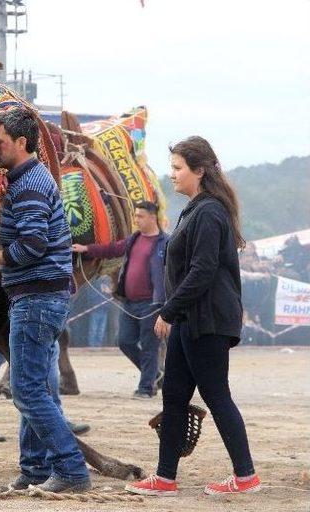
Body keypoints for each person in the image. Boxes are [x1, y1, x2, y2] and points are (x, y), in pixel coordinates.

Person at [125, 136, 261, 496]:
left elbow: (202, 270)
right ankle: (165, 477)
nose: (171, 175)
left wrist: (168, 310)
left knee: (216, 394)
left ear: (199, 171)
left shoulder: (211, 212)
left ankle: (245, 476)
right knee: (173, 396)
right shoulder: (192, 210)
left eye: (177, 168)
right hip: (190, 319)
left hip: (209, 321)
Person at [0, 108, 90, 494]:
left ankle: (72, 470)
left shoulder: (27, 186)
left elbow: (33, 244)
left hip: (38, 298)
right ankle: (34, 470)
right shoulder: (29, 179)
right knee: (35, 386)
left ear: (22, 143)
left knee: (26, 390)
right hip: (40, 295)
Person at [72, 201, 169, 398]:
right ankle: (154, 375)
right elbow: (111, 249)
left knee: (150, 346)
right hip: (129, 302)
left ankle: (146, 388)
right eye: (135, 216)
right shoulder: (134, 239)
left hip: (152, 305)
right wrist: (86, 249)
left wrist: (166, 303)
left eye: (140, 216)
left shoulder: (165, 243)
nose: (136, 220)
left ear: (152, 217)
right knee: (124, 341)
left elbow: (174, 272)